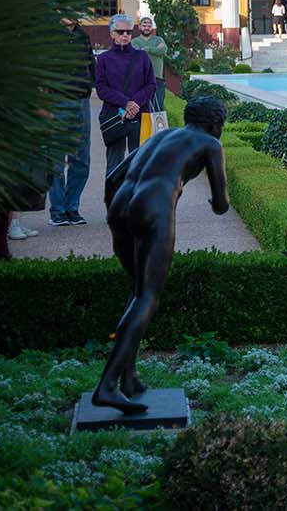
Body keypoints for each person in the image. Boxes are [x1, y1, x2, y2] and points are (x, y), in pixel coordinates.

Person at [93, 96, 230, 413]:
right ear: (216, 125)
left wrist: (119, 216)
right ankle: (107, 386)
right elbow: (222, 204)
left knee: (136, 291)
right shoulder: (210, 143)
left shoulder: (161, 137)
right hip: (153, 207)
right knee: (148, 297)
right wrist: (214, 203)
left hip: (120, 205)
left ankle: (128, 379)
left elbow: (113, 177)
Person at [48, 16, 96, 227]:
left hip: (81, 102)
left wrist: (89, 86)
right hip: (56, 102)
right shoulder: (48, 36)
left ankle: (72, 208)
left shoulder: (82, 36)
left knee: (81, 159)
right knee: (56, 159)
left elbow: (91, 64)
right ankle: (57, 211)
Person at [96, 14, 155, 176]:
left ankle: (136, 200)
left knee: (140, 162)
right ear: (112, 33)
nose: (124, 35)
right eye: (120, 32)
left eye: (128, 32)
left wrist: (134, 103)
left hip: (139, 114)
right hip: (115, 116)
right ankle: (114, 199)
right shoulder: (103, 59)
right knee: (115, 164)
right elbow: (101, 88)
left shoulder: (142, 57)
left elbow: (151, 84)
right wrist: (126, 103)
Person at [131, 16, 168, 108]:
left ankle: (158, 123)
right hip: (141, 79)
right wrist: (155, 50)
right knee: (142, 106)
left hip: (157, 78)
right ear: (139, 27)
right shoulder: (134, 41)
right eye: (144, 25)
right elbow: (137, 54)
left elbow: (163, 49)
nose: (147, 28)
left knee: (158, 106)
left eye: (149, 26)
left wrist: (147, 49)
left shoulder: (158, 39)